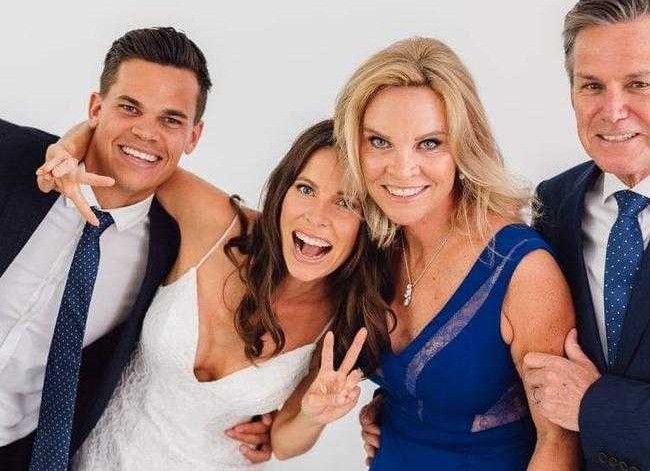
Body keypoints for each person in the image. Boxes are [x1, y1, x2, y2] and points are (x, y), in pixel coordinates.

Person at [38, 118, 393, 470]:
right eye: (305, 189)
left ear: (371, 224)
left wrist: (314, 416)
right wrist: (66, 150)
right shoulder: (219, 226)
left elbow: (283, 444)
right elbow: (130, 158)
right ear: (283, 192)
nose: (317, 217)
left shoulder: (345, 320)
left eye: (346, 203)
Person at [0, 27, 274, 471]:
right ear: (96, 107)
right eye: (130, 108)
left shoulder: (170, 253)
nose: (146, 133)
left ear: (194, 136)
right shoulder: (11, 157)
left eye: (170, 120)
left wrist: (278, 413)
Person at [338, 37, 579, 469]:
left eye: (429, 143)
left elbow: (558, 443)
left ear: (464, 147)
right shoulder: (375, 242)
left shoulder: (521, 269)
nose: (401, 168)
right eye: (379, 141)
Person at [521, 0, 650, 470]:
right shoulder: (553, 203)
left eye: (640, 83)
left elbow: (577, 395)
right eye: (592, 85)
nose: (612, 110)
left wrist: (596, 405)